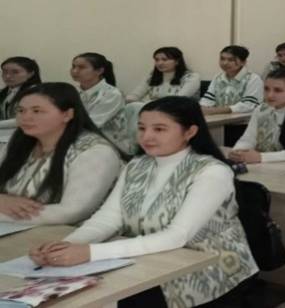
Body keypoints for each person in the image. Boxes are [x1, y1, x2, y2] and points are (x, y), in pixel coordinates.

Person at [31, 96, 259, 308]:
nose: (146, 137)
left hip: (207, 270)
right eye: (141, 128)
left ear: (190, 131)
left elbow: (176, 236)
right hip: (150, 260)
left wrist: (89, 253)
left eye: (159, 129)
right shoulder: (137, 165)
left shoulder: (212, 172)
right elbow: (109, 218)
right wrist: (66, 246)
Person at [0, 83, 124, 226]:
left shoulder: (95, 151)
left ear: (67, 115)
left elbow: (71, 212)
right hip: (15, 226)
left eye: (37, 111)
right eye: (21, 110)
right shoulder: (19, 141)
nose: (25, 117)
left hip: (71, 232)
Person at [70, 53, 132, 153]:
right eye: (73, 66)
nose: (75, 71)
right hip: (80, 138)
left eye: (81, 67)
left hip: (110, 144)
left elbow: (91, 124)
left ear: (99, 71)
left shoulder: (112, 94)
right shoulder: (73, 92)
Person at [199, 45, 262, 116]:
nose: (225, 63)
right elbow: (207, 100)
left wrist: (216, 110)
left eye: (231, 60)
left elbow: (248, 105)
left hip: (244, 121)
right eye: (222, 59)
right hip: (219, 119)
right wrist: (201, 108)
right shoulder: (217, 78)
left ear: (243, 62)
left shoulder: (253, 78)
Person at [125, 47, 201, 103]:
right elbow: (135, 95)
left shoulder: (191, 77)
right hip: (153, 110)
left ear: (177, 61)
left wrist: (148, 104)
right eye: (156, 60)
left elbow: (177, 101)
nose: (159, 63)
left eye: (165, 59)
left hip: (179, 113)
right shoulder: (152, 76)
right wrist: (128, 101)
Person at [1, 57, 42, 124]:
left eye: (15, 72)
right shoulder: (3, 92)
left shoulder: (38, 93)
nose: (8, 76)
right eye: (4, 72)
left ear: (30, 74)